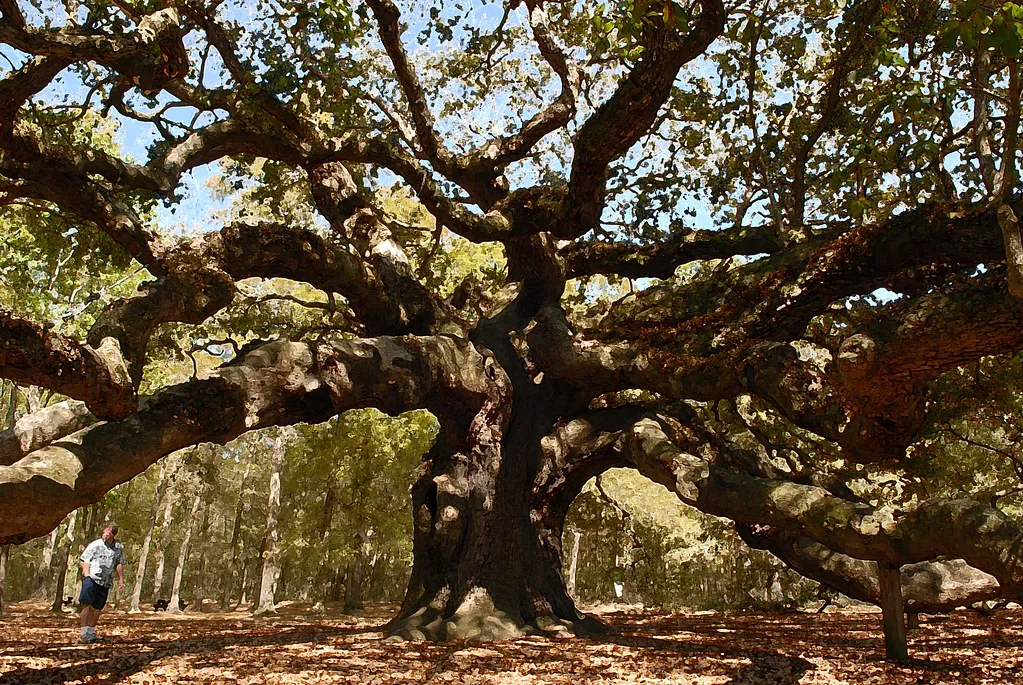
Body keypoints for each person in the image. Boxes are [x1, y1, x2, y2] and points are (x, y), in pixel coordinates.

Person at [78, 524, 127, 643]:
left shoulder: (118, 547)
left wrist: (121, 578)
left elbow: (119, 563)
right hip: (92, 578)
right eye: (104, 532)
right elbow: (84, 560)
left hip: (106, 582)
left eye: (108, 533)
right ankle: (84, 633)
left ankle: (91, 632)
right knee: (87, 604)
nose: (105, 535)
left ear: (113, 535)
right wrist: (87, 575)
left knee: (97, 607)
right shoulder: (95, 545)